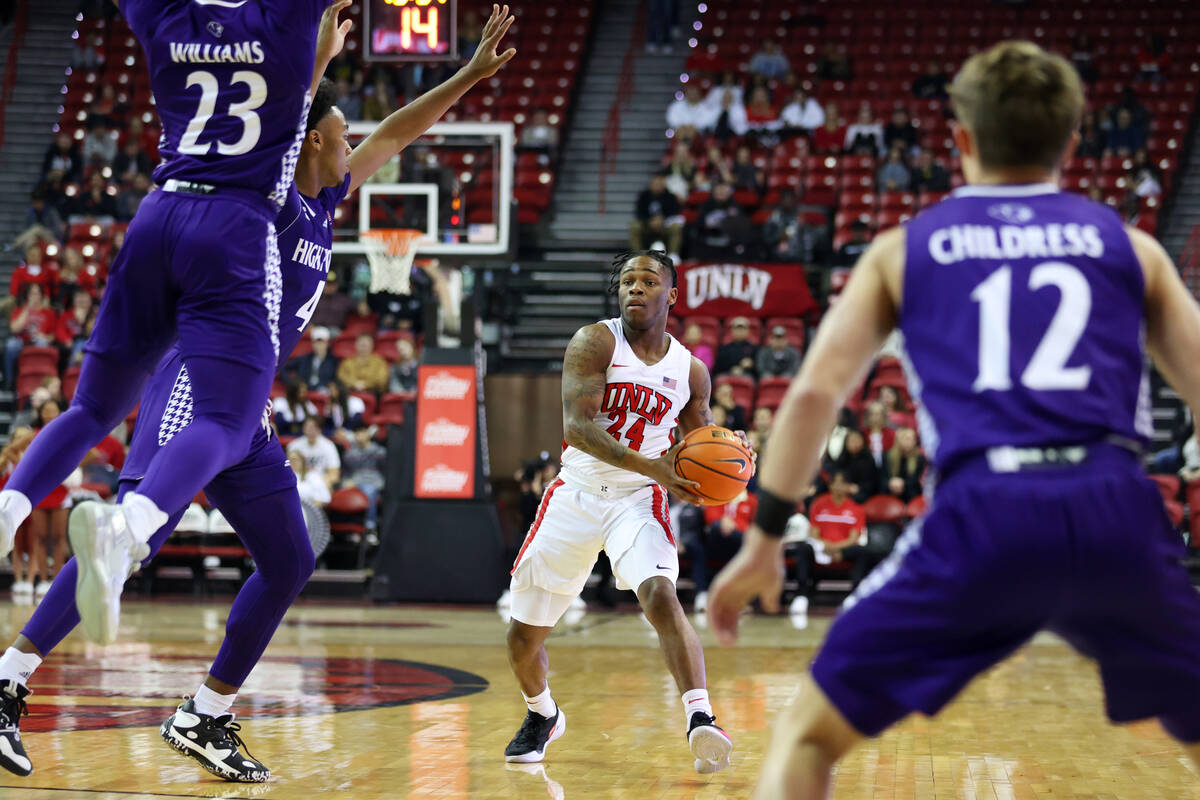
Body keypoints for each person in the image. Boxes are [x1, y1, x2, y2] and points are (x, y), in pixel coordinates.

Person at [0, 3, 516, 783]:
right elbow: (278, 107)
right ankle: (9, 679)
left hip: (246, 408)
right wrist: (309, 60)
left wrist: (469, 75)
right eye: (342, 137)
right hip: (195, 381)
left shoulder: (327, 199)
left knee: (289, 556)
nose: (355, 149)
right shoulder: (264, 188)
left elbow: (397, 133)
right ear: (309, 139)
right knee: (128, 547)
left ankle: (206, 712)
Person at [706, 40, 1200, 798]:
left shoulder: (904, 250)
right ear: (1072, 142)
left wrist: (767, 538)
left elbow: (811, 395)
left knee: (808, 736)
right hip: (1115, 507)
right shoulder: (1132, 250)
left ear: (961, 140)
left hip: (984, 512)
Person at [503, 251, 735, 774]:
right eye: (627, 280)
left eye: (648, 280)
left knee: (660, 593)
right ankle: (543, 715)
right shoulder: (595, 341)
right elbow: (579, 430)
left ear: (671, 295)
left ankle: (701, 717)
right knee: (522, 638)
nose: (634, 287)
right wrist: (655, 465)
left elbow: (702, 442)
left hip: (637, 499)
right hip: (576, 493)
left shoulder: (691, 371)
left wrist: (732, 453)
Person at [786, 471, 871, 615]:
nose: (837, 486)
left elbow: (854, 538)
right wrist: (827, 547)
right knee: (803, 549)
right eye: (834, 482)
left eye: (842, 483)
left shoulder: (857, 509)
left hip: (844, 549)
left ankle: (855, 595)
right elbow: (814, 533)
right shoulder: (819, 504)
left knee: (863, 552)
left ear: (849, 486)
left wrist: (836, 549)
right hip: (821, 547)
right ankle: (802, 595)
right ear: (829, 485)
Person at [688, 489, 757, 613]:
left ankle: (738, 598)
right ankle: (702, 595)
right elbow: (711, 517)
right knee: (702, 542)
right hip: (716, 542)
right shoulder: (717, 494)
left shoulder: (751, 500)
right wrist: (721, 522)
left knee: (749, 544)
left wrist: (735, 525)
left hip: (740, 543)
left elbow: (756, 527)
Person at [630, 173, 683, 258]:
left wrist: (663, 219)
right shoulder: (644, 196)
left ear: (664, 186)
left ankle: (673, 255)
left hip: (665, 225)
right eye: (656, 184)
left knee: (676, 227)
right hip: (647, 225)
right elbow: (639, 213)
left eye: (660, 185)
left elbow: (674, 213)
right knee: (634, 226)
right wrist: (649, 221)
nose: (658, 187)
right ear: (651, 185)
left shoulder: (670, 197)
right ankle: (637, 255)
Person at [884, 427, 925, 502]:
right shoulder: (887, 455)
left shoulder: (919, 458)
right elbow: (883, 476)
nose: (910, 442)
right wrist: (890, 483)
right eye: (906, 439)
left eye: (913, 439)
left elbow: (914, 480)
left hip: (910, 493)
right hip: (890, 491)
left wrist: (903, 483)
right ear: (898, 440)